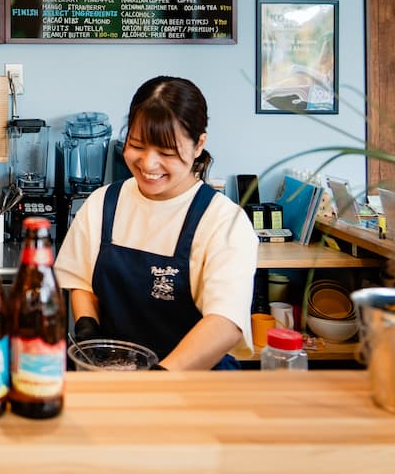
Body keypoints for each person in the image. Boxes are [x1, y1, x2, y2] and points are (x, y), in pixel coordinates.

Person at [54, 76, 257, 370]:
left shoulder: (223, 221)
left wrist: (159, 377)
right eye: (137, 145)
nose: (148, 164)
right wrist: (88, 329)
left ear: (199, 145)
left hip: (194, 382)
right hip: (113, 374)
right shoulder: (102, 203)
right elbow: (81, 281)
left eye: (166, 152)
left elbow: (225, 323)